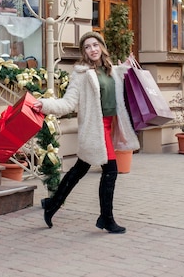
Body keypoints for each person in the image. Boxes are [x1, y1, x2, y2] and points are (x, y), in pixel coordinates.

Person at [31, 32, 139, 234]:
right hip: (95, 129)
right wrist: (44, 104)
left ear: (102, 47)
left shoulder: (111, 70)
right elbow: (68, 103)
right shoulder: (81, 74)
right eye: (87, 47)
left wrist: (128, 66)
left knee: (79, 169)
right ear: (84, 52)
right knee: (111, 171)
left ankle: (52, 205)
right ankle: (106, 218)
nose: (93, 49)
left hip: (109, 126)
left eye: (95, 45)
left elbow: (124, 83)